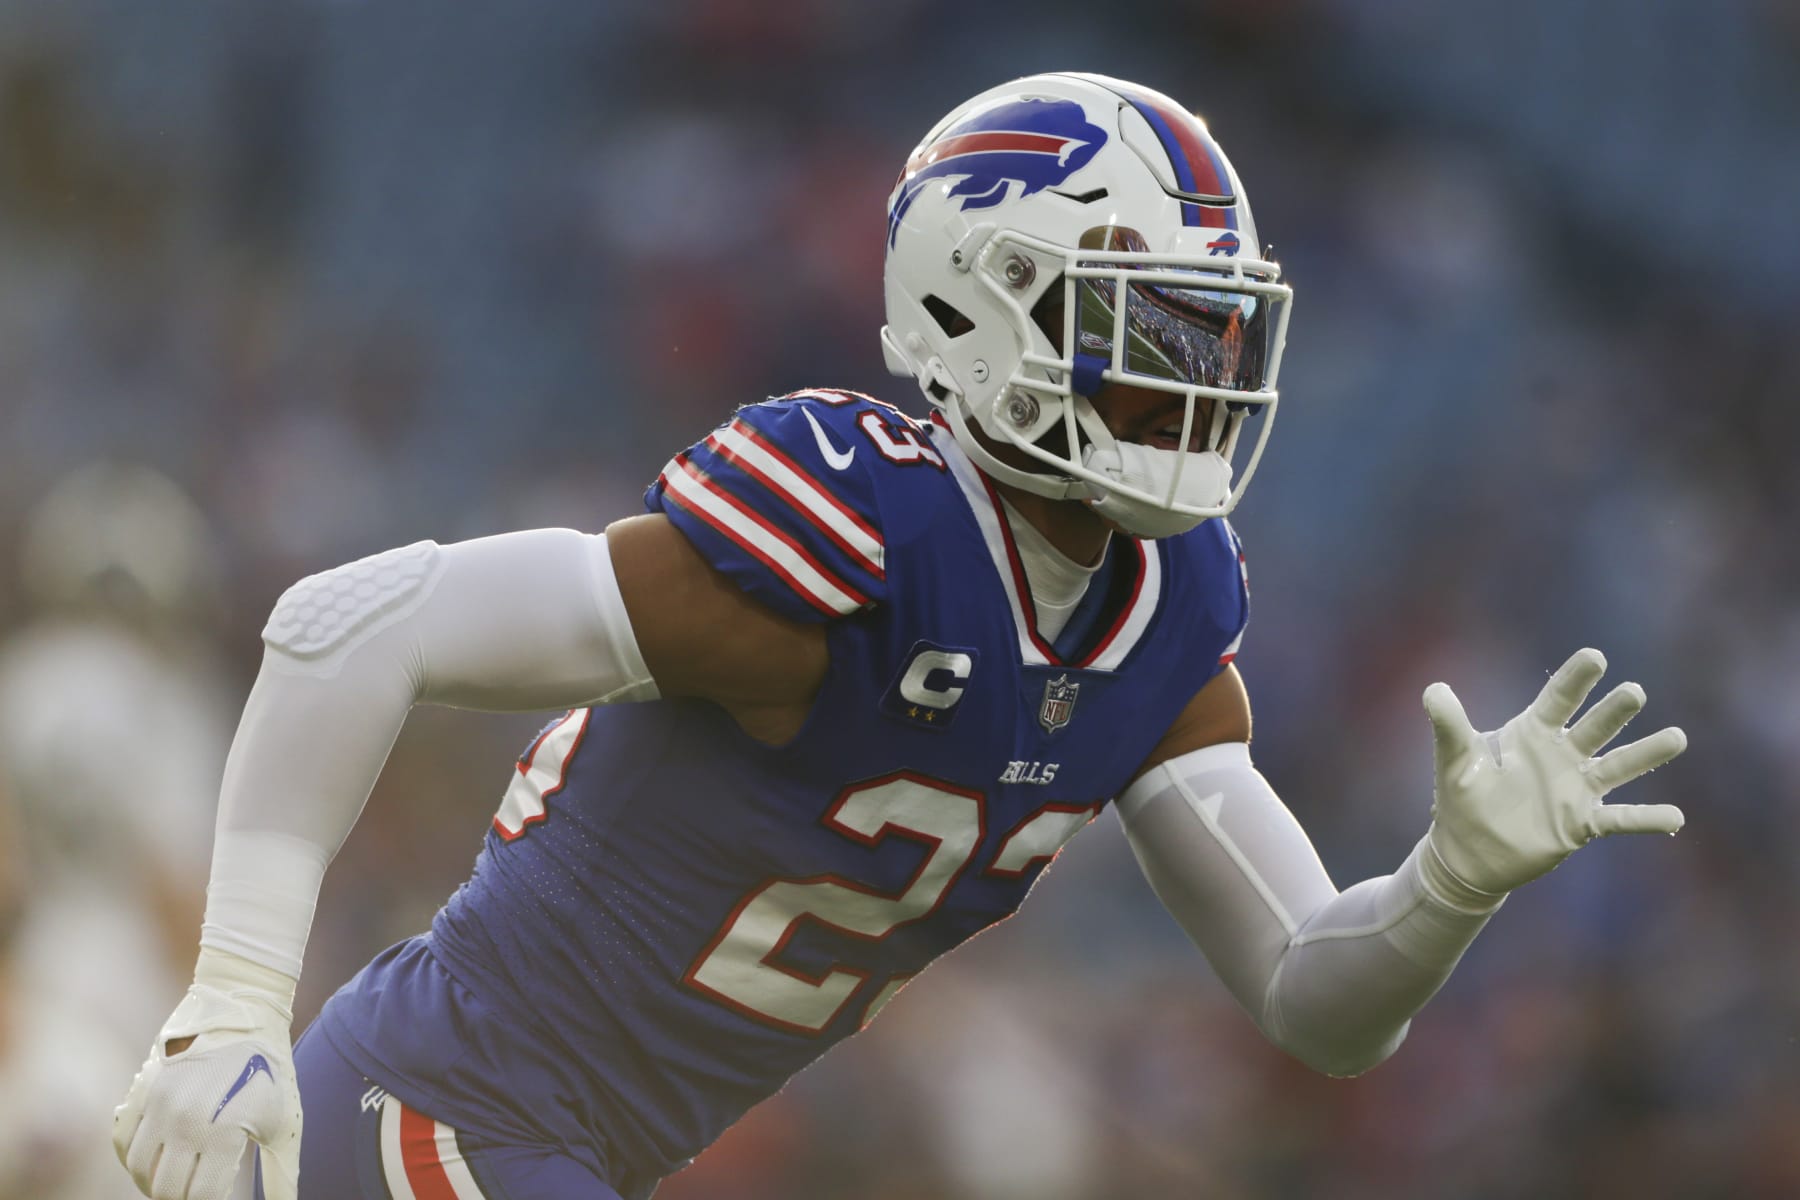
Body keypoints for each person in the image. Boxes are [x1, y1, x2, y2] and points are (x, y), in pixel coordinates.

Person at [113, 72, 1688, 1200]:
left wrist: (1442, 891)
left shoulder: (1164, 608)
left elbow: (1308, 998)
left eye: (1212, 338)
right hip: (431, 1113)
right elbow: (343, 623)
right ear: (982, 314)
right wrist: (236, 997)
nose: (1193, 388)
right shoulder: (864, 533)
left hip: (553, 1150)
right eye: (1142, 338)